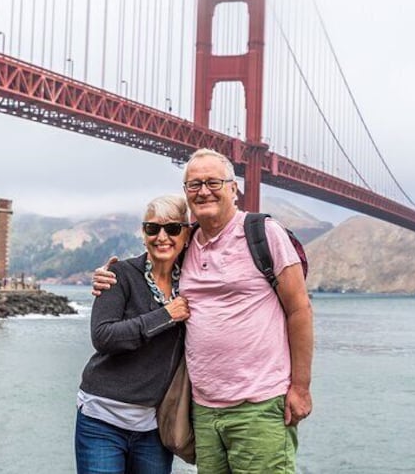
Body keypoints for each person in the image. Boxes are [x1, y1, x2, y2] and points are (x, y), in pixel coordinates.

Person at [93, 148, 314, 474]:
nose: (204, 191)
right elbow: (154, 262)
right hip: (204, 410)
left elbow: (299, 310)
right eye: (194, 185)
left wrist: (300, 388)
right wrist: (106, 277)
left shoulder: (264, 234)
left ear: (233, 188)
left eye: (213, 182)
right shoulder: (189, 242)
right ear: (186, 193)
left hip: (259, 405)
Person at [76, 195, 191, 474]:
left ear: (186, 234)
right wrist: (165, 315)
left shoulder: (193, 280)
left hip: (154, 426)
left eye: (172, 228)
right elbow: (103, 337)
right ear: (143, 235)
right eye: (152, 229)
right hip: (100, 420)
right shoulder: (120, 274)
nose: (162, 236)